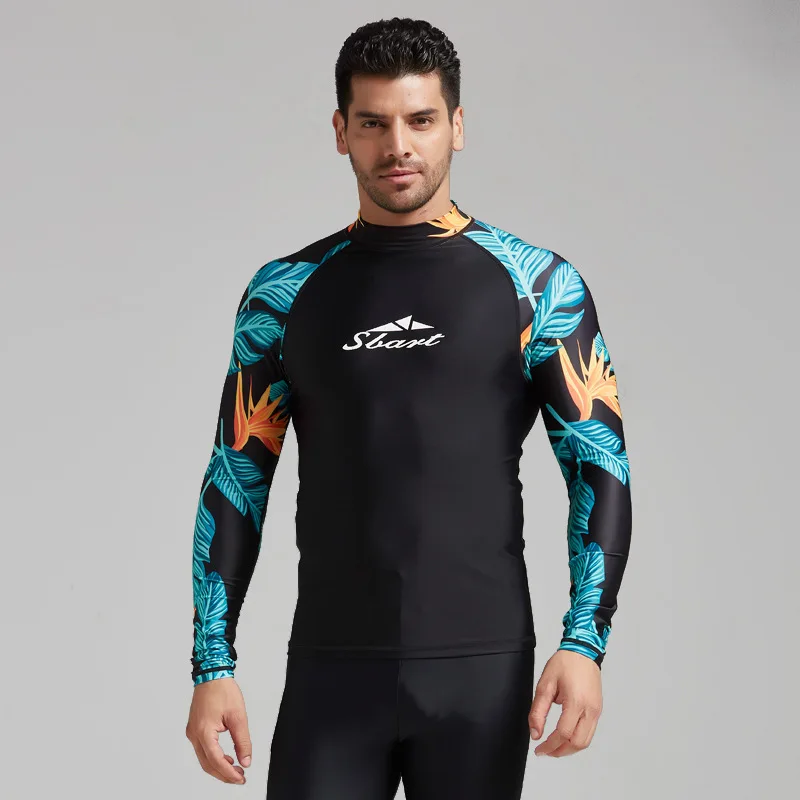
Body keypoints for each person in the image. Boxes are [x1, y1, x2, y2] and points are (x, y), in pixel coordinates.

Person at [185, 16, 632, 798]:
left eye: (420, 120)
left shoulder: (538, 287)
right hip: (332, 670)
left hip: (480, 672)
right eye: (373, 124)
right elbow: (236, 478)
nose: (398, 146)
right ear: (341, 132)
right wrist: (211, 666)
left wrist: (585, 643)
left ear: (457, 125)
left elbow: (600, 465)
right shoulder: (283, 295)